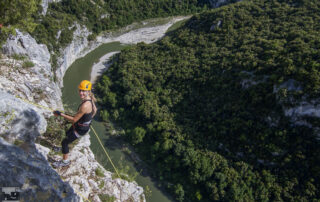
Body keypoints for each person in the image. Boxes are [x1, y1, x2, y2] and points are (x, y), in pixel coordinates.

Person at [53, 80, 97, 167]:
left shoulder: (85, 105)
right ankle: (63, 149)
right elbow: (95, 110)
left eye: (83, 91)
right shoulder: (90, 99)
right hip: (81, 125)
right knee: (67, 134)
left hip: (81, 129)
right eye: (80, 90)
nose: (81, 93)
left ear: (88, 91)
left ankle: (65, 162)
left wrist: (60, 114)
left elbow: (74, 120)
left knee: (65, 142)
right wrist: (88, 119)